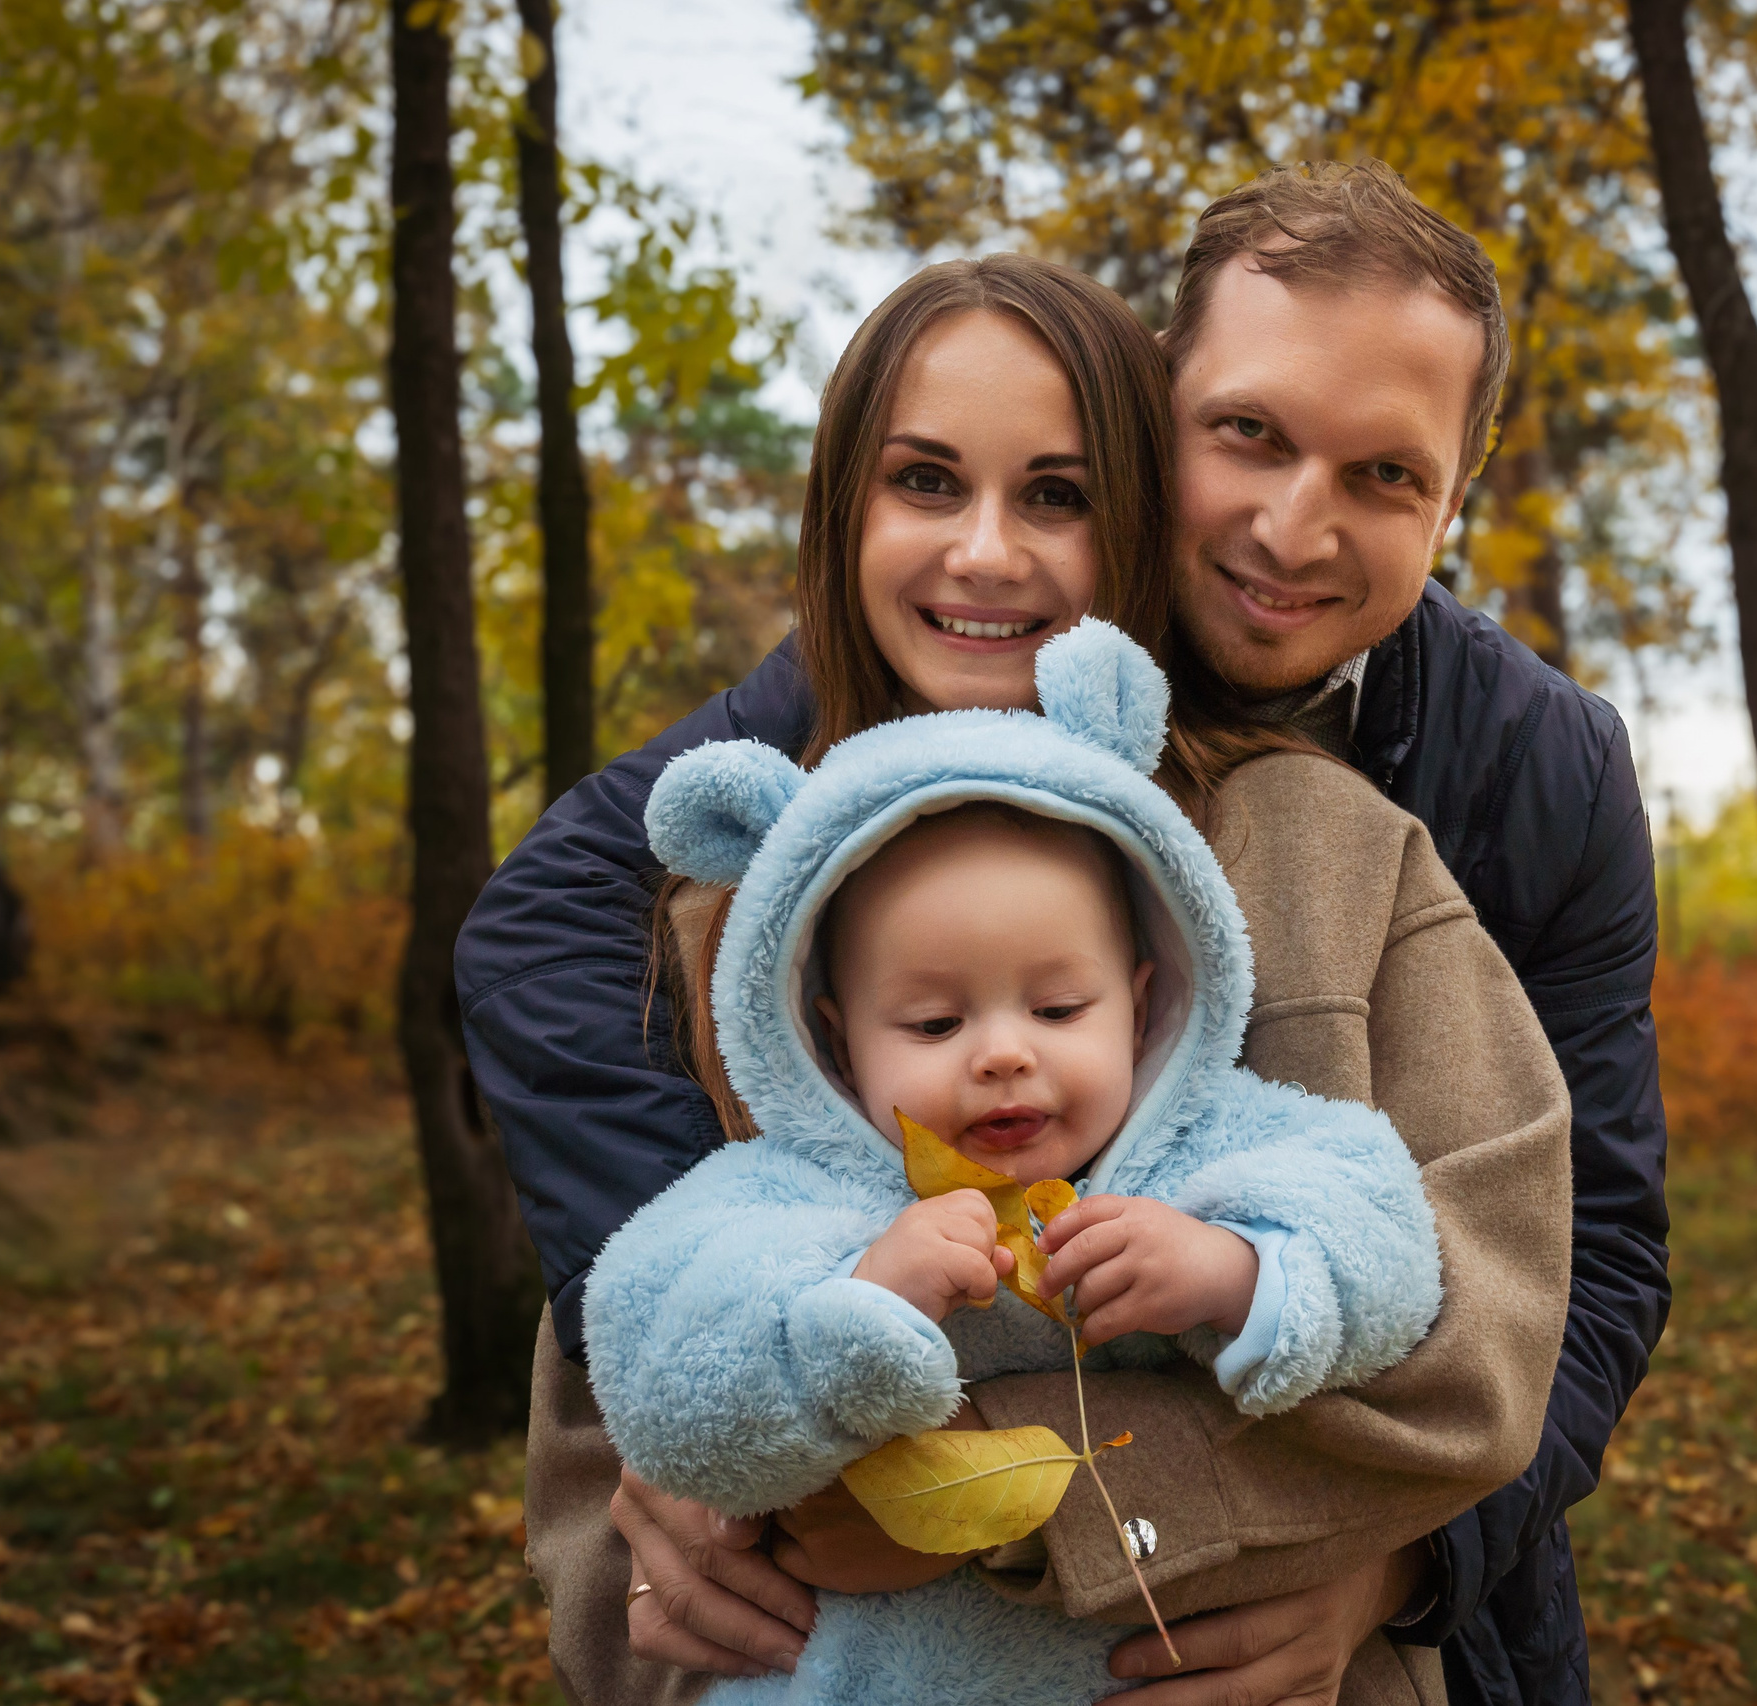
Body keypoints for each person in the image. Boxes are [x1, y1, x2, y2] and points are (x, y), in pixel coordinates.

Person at [461, 163, 1669, 1704]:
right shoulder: (761, 884)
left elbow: (1546, 1281)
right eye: (1248, 432)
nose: (987, 554)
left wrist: (1399, 1565)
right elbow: (624, 1380)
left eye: (1054, 494)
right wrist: (667, 1524)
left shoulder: (1378, 841)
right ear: (1169, 432)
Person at [586, 624, 1454, 1704]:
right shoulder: (796, 1196)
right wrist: (853, 1310)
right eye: (935, 1018)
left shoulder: (1214, 1146)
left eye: (1056, 1006)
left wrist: (1237, 1274)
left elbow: (1387, 1238)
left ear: (1142, 1003)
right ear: (834, 1033)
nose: (1004, 1051)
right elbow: (662, 1364)